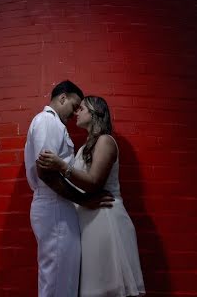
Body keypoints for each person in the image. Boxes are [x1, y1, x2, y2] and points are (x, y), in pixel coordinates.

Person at [38, 95, 146, 297]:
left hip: (106, 220)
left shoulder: (105, 141)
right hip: (89, 222)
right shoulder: (83, 149)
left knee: (109, 288)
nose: (77, 112)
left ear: (95, 113)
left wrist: (61, 166)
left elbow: (94, 182)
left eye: (82, 109)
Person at [24, 81, 113, 297]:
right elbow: (46, 172)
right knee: (56, 282)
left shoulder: (55, 125)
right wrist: (83, 200)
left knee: (63, 278)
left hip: (60, 207)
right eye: (74, 106)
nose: (75, 113)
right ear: (62, 98)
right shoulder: (48, 121)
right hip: (55, 207)